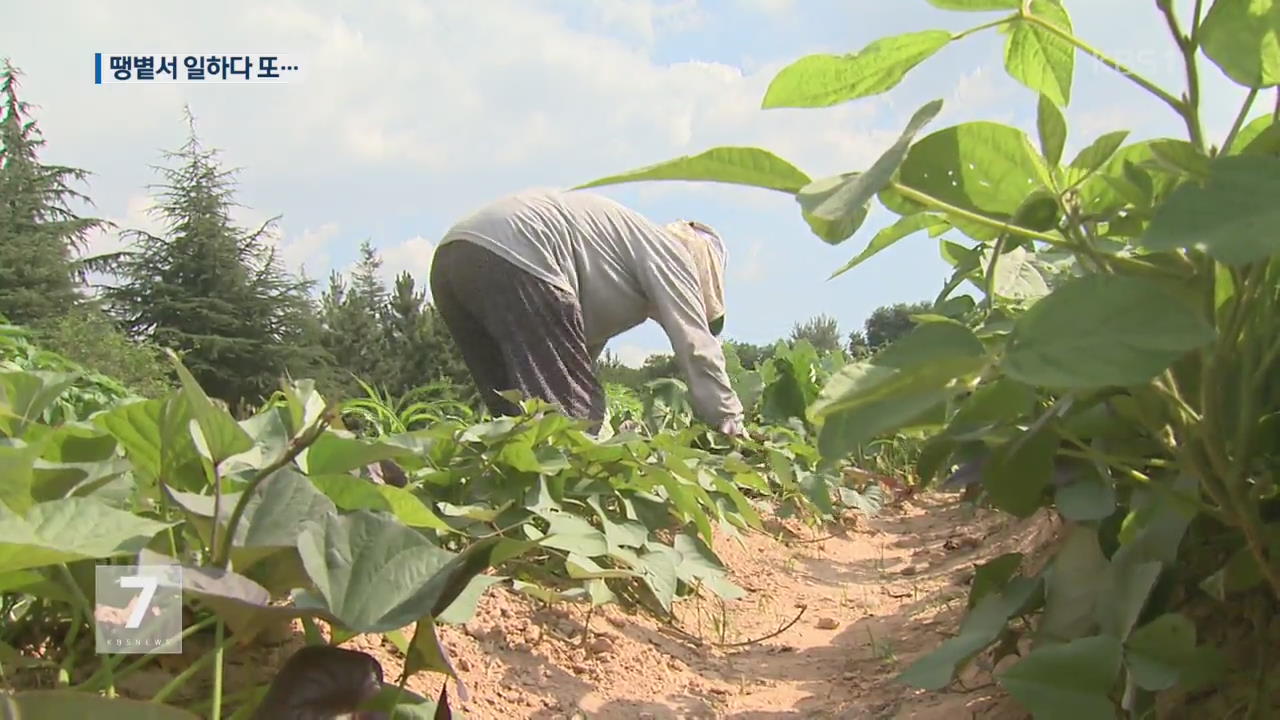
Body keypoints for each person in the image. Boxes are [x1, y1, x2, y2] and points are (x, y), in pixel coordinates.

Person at [429, 187, 744, 436]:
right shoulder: (674, 253)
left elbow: (571, 359)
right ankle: (569, 508)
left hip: (453, 260)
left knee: (515, 418)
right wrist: (729, 418)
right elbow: (696, 344)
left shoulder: (617, 257)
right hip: (521, 255)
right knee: (571, 426)